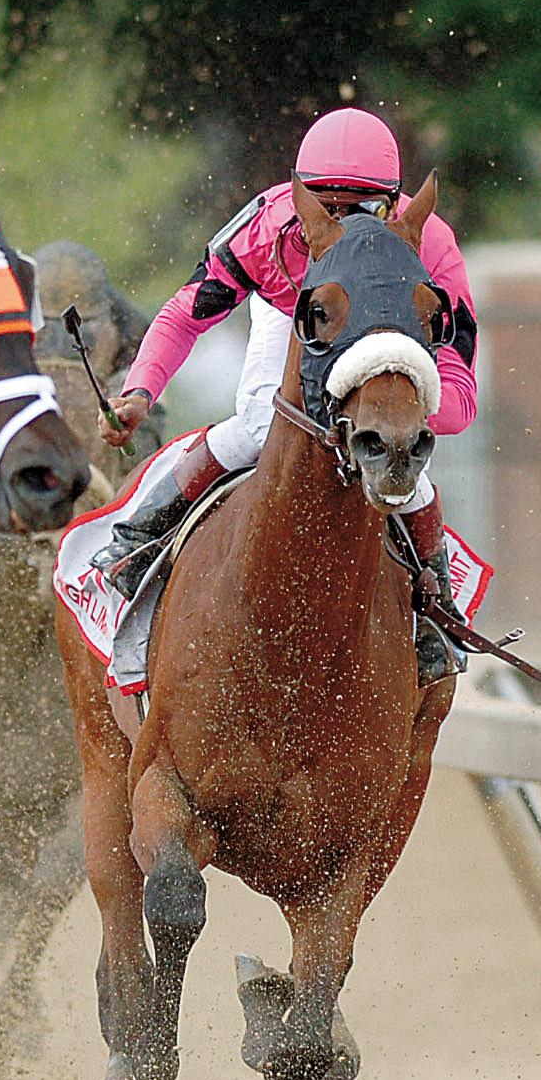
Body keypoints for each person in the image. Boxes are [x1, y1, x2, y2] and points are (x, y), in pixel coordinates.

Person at [91, 107, 480, 684]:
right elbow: (184, 314)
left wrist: (414, 411)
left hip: (385, 336)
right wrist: (141, 391)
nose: (344, 223)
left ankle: (432, 609)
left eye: (363, 209)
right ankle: (145, 534)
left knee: (401, 455)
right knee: (257, 428)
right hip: (297, 317)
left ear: (395, 206)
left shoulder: (430, 245)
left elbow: (460, 381)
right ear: (299, 200)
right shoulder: (264, 230)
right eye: (327, 208)